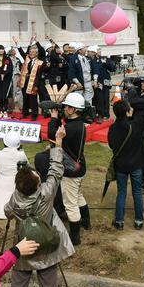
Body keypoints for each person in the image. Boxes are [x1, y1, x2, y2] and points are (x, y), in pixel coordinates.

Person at [4, 124, 73, 287]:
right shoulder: (46, 193)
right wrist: (58, 142)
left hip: (23, 245)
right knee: (49, 284)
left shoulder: (16, 197)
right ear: (37, 185)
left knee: (18, 284)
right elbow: (56, 170)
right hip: (46, 243)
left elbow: (7, 212)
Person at [107, 99, 144, 230]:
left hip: (121, 165)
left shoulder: (112, 128)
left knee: (121, 192)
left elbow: (112, 145)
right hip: (136, 164)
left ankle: (119, 221)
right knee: (137, 192)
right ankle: (139, 221)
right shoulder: (134, 126)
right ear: (127, 111)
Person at [60, 92, 88, 244]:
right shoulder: (80, 124)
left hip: (71, 170)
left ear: (73, 109)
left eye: (66, 106)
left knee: (70, 204)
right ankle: (86, 222)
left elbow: (54, 136)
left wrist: (53, 120)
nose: (64, 108)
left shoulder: (69, 128)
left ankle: (75, 237)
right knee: (78, 196)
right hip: (80, 166)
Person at [0, 130, 28, 219]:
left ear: (5, 142)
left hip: (0, 182)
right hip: (15, 182)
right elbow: (27, 168)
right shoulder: (21, 154)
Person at [18, 42, 44, 121]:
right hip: (25, 83)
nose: (31, 53)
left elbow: (39, 76)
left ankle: (34, 114)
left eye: (33, 52)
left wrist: (36, 85)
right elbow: (22, 52)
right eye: (30, 52)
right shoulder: (27, 60)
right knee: (25, 98)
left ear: (37, 54)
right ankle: (25, 113)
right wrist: (17, 43)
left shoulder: (40, 63)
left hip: (33, 83)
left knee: (33, 99)